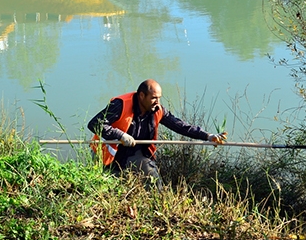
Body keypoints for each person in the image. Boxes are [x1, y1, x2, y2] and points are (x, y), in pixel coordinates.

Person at [87, 79, 227, 190]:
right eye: (154, 98)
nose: (158, 102)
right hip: (108, 153)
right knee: (104, 187)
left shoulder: (157, 109)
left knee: (154, 182)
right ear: (142, 96)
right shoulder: (121, 104)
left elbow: (181, 126)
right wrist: (120, 135)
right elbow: (94, 124)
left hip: (136, 154)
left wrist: (208, 136)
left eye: (159, 98)